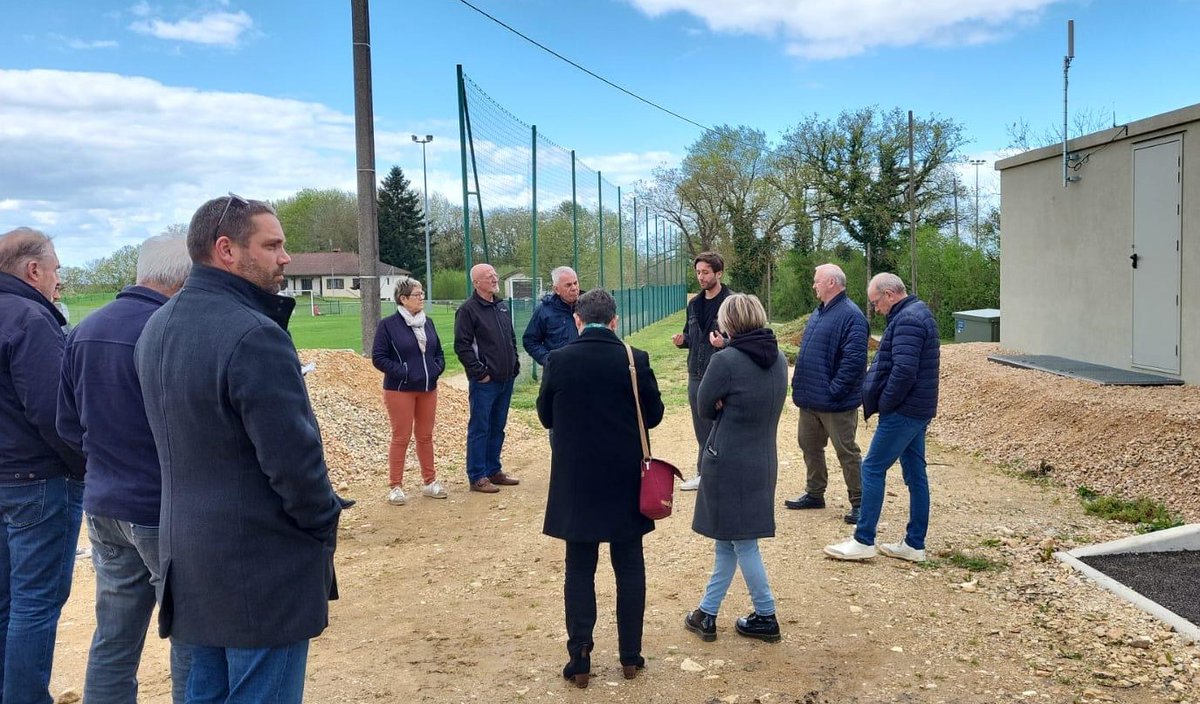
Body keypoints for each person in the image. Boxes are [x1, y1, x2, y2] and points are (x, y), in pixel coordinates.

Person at [135, 195, 341, 702]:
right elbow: (295, 463)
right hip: (261, 565)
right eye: (272, 245)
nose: (285, 258)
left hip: (191, 557)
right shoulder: (254, 334)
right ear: (226, 250)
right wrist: (322, 522)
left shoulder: (157, 326)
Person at [56, 233, 194, 703]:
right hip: (159, 505)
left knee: (114, 636)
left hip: (104, 502)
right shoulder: (170, 328)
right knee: (191, 630)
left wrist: (104, 464)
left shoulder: (84, 330)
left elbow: (66, 425)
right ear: (185, 276)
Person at [538, 289, 663, 687]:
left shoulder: (559, 360)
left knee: (579, 568)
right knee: (629, 567)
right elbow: (655, 415)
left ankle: (580, 659)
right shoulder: (634, 358)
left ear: (578, 321)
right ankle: (630, 655)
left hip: (577, 479)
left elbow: (544, 416)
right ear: (615, 320)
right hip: (626, 477)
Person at [0, 227, 85, 704]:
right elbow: (55, 412)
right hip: (37, 482)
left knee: (7, 603)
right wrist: (84, 466)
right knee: (35, 604)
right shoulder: (30, 319)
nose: (59, 281)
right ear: (33, 270)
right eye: (56, 270)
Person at [685, 294, 787, 644]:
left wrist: (721, 401)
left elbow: (704, 408)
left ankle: (767, 614)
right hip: (762, 458)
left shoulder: (725, 360)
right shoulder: (779, 359)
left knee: (743, 543)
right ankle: (706, 613)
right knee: (728, 540)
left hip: (728, 459)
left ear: (729, 323)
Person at [825, 273, 940, 563]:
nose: (876, 309)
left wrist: (885, 403)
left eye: (876, 302)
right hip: (917, 409)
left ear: (890, 294)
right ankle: (914, 544)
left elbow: (903, 371)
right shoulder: (916, 313)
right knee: (916, 474)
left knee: (872, 469)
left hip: (904, 411)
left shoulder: (908, 320)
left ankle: (864, 539)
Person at [786, 263, 869, 524]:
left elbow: (854, 362)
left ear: (832, 283)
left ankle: (860, 502)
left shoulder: (852, 316)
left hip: (836, 402)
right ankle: (814, 493)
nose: (814, 285)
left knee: (847, 452)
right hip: (810, 399)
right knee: (809, 445)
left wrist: (835, 391)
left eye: (817, 281)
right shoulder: (820, 311)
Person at [372, 275, 447, 505]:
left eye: (422, 293)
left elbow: (438, 353)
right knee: (401, 437)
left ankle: (430, 482)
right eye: (417, 294)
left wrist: (436, 369)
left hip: (427, 388)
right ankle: (395, 486)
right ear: (403, 299)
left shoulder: (428, 322)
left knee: (425, 436)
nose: (421, 297)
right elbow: (379, 358)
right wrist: (404, 372)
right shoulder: (388, 325)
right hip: (400, 390)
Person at [454, 263, 521, 494]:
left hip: (506, 379)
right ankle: (477, 476)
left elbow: (511, 337)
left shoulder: (501, 307)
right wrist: (479, 372)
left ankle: (494, 470)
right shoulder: (468, 310)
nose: (494, 279)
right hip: (485, 382)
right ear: (476, 283)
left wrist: (515, 363)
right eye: (489, 276)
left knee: (498, 427)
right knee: (480, 427)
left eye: (495, 275)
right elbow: (462, 346)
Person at [671, 251, 732, 491]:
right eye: (698, 272)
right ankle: (704, 473)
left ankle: (726, 474)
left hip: (724, 374)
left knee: (726, 426)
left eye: (705, 272)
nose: (700, 277)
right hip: (697, 375)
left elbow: (742, 338)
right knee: (702, 428)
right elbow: (690, 335)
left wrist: (724, 344)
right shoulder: (694, 304)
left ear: (719, 273)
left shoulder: (731, 302)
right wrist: (681, 340)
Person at [522, 265, 580, 366]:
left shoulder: (588, 306)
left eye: (575, 283)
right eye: (568, 285)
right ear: (556, 289)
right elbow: (530, 341)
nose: (574, 288)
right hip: (558, 373)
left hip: (586, 370)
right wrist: (547, 359)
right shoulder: (544, 310)